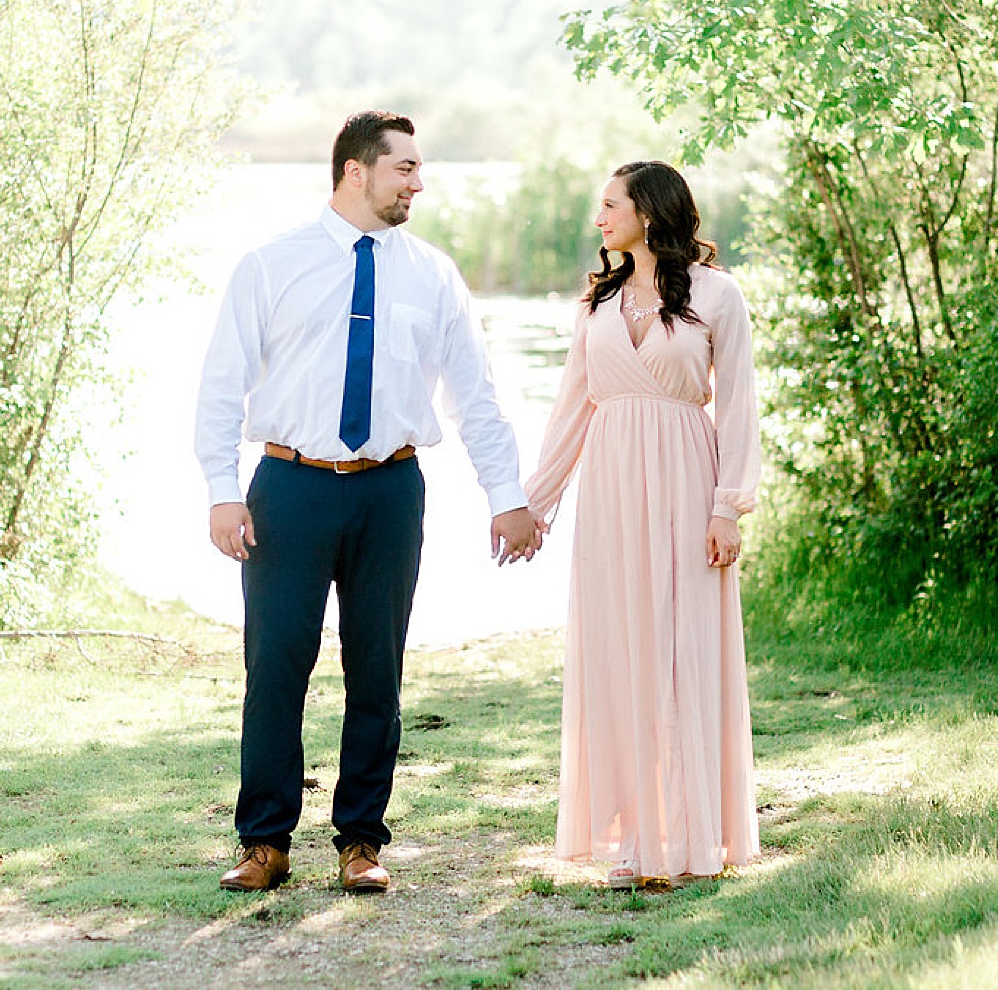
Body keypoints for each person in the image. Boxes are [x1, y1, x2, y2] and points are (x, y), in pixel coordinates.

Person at [195, 111, 544, 895]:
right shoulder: (270, 264)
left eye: (419, 170)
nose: (419, 183)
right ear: (357, 170)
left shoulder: (433, 273)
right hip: (289, 484)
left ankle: (360, 840)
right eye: (406, 168)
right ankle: (264, 842)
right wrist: (222, 490)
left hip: (391, 487)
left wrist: (508, 495)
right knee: (277, 662)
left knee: (377, 668)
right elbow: (222, 386)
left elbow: (477, 398)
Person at [524, 160, 761, 888]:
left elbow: (740, 408)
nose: (599, 218)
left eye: (610, 204)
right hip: (612, 490)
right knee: (623, 648)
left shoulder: (718, 295)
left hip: (689, 481)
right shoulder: (598, 302)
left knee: (684, 649)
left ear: (650, 212)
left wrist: (728, 506)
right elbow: (571, 408)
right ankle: (638, 837)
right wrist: (532, 506)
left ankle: (692, 834)